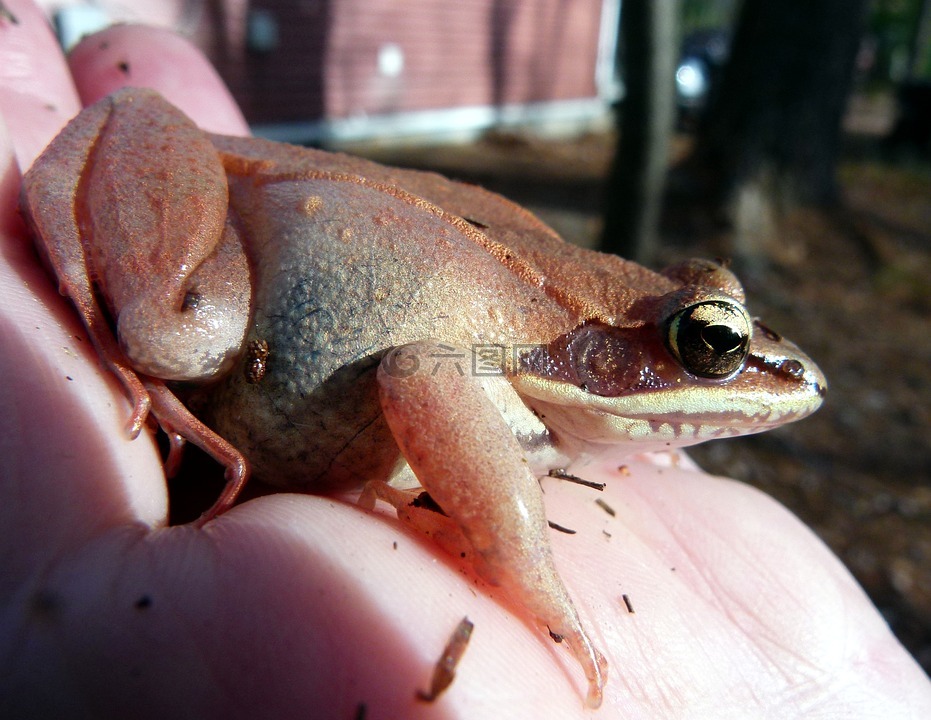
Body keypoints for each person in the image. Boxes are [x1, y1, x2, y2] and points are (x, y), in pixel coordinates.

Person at [2, 2, 929, 716]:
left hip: (327, 211)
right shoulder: (511, 362)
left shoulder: (558, 378)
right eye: (712, 345)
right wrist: (514, 547)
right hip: (252, 217)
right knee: (176, 331)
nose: (772, 377)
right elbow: (424, 373)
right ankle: (110, 298)